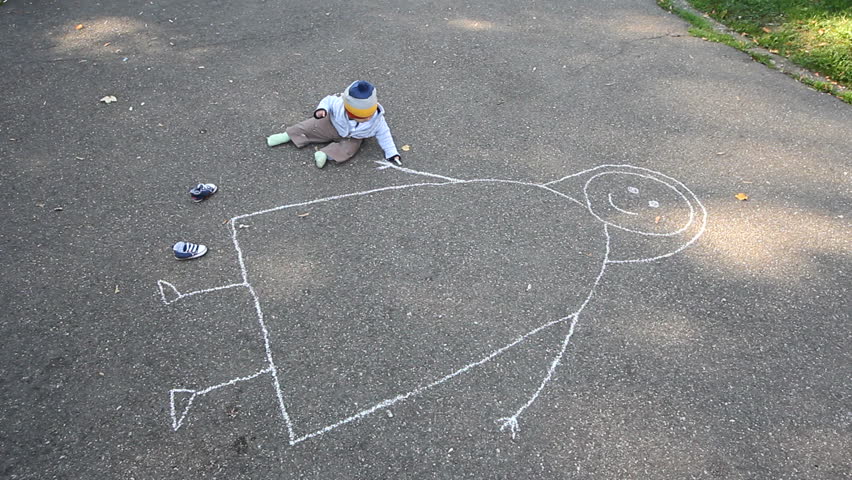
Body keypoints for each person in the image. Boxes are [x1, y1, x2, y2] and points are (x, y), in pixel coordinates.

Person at [266, 80, 402, 169]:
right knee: (310, 125)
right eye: (362, 117)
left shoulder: (377, 120)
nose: (368, 119)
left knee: (349, 150)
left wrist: (392, 153)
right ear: (350, 111)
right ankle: (288, 135)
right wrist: (322, 110)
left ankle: (326, 154)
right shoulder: (339, 104)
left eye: (369, 116)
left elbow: (385, 135)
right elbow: (328, 100)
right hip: (332, 124)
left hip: (353, 137)